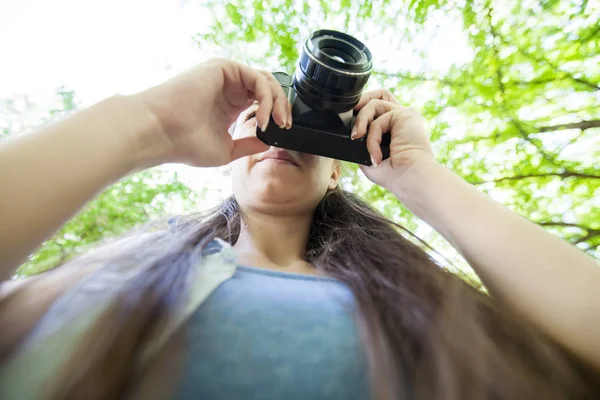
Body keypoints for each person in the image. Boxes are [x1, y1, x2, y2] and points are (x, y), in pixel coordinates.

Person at [0, 58, 599, 400]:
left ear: (339, 170)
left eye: (309, 125)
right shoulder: (125, 270)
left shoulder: (421, 297)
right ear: (228, 157)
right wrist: (149, 125)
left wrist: (419, 177)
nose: (281, 134)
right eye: (265, 119)